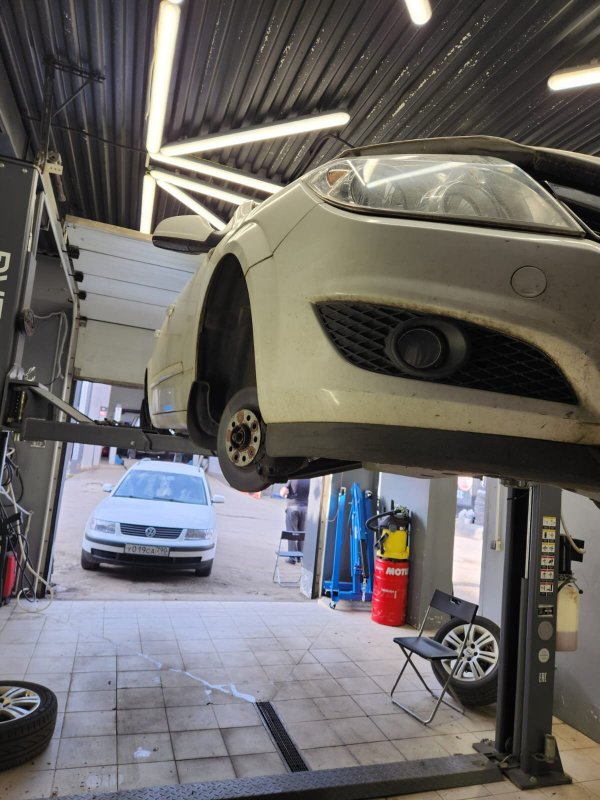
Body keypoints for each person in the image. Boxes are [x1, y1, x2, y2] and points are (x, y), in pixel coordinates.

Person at [279, 479, 310, 564]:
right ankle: (299, 557)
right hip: (305, 509)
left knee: (291, 533)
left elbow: (283, 492)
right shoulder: (309, 479)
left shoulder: (293, 478)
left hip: (292, 508)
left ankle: (292, 558)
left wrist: (285, 495)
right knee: (301, 534)